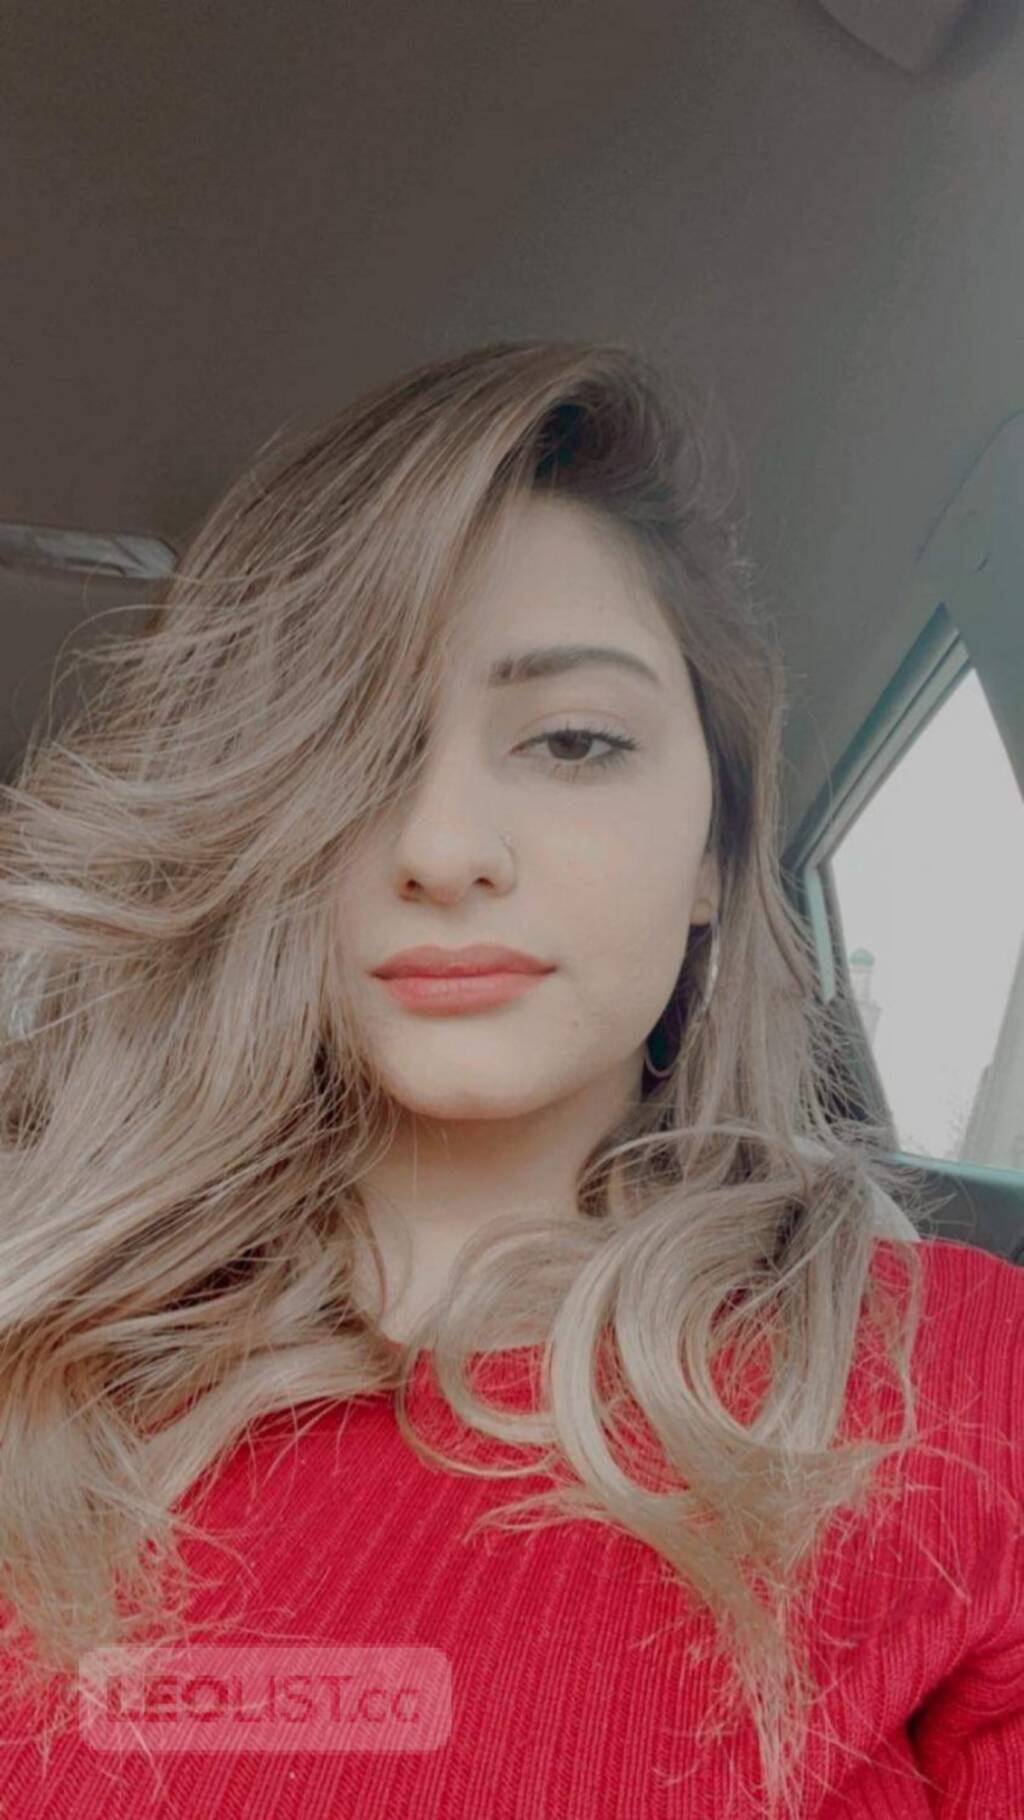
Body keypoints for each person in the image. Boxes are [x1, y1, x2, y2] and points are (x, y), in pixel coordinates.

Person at [0, 339, 1020, 1818]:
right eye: (352, 750)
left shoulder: (961, 1385)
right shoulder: (41, 1341)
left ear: (717, 850)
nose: (440, 849)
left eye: (573, 741)